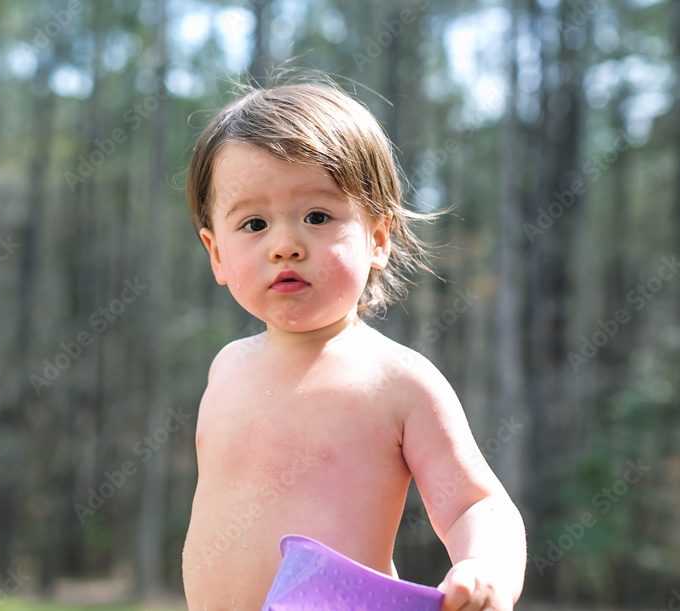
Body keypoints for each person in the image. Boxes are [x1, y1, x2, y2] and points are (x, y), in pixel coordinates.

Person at [180, 76, 526, 611]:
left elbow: (474, 504)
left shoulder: (396, 381)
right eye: (253, 223)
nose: (286, 245)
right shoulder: (226, 368)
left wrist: (483, 568)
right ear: (216, 254)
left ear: (378, 238)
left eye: (317, 217)